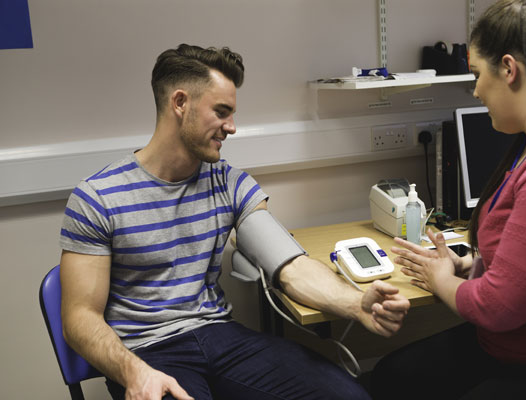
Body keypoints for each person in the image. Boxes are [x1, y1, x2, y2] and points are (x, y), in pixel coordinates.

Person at [59, 44, 411, 400]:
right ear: (180, 103)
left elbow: (291, 267)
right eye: (222, 112)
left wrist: (356, 303)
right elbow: (79, 319)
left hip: (219, 337)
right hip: (146, 351)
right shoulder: (98, 197)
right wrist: (134, 372)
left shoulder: (227, 182)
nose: (232, 127)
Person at [371, 1, 526, 399]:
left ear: (509, 69)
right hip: (511, 345)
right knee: (393, 375)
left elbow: (497, 309)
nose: (475, 89)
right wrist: (470, 264)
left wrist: (441, 279)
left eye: (477, 74)